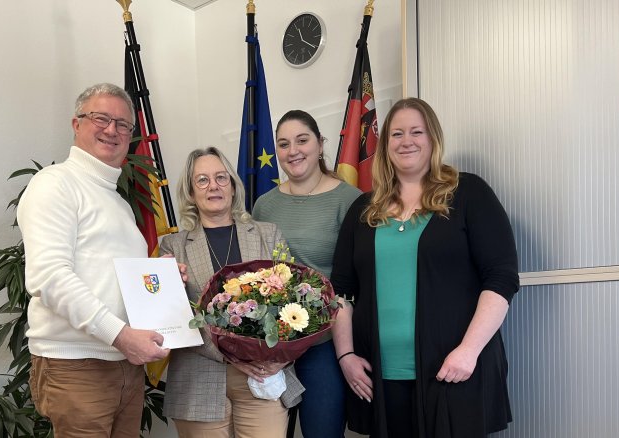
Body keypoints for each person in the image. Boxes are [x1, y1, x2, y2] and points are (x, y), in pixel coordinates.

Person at [331, 97, 519, 437]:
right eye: (396, 134)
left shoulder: (468, 193)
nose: (407, 141)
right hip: (380, 377)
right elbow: (341, 290)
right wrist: (345, 355)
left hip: (453, 370)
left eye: (417, 132)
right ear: (385, 144)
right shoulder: (362, 209)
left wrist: (468, 351)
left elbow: (501, 277)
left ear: (433, 139)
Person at [17, 83, 170, 438]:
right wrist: (120, 336)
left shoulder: (117, 202)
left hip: (124, 366)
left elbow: (114, 278)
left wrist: (161, 279)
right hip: (77, 365)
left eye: (123, 125)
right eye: (101, 118)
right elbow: (50, 277)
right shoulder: (54, 184)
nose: (111, 130)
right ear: (76, 124)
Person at [160, 147, 304, 438]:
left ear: (233, 186)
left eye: (221, 178)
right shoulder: (172, 247)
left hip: (263, 373)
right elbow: (175, 319)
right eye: (202, 180)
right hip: (198, 379)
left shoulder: (268, 234)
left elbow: (296, 303)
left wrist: (278, 355)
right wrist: (232, 354)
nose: (213, 186)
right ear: (190, 192)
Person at [252, 109, 361, 438]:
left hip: (325, 343)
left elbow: (359, 278)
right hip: (273, 346)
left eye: (302, 140)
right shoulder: (263, 205)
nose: (293, 150)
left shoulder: (351, 200)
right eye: (283, 144)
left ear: (320, 143)